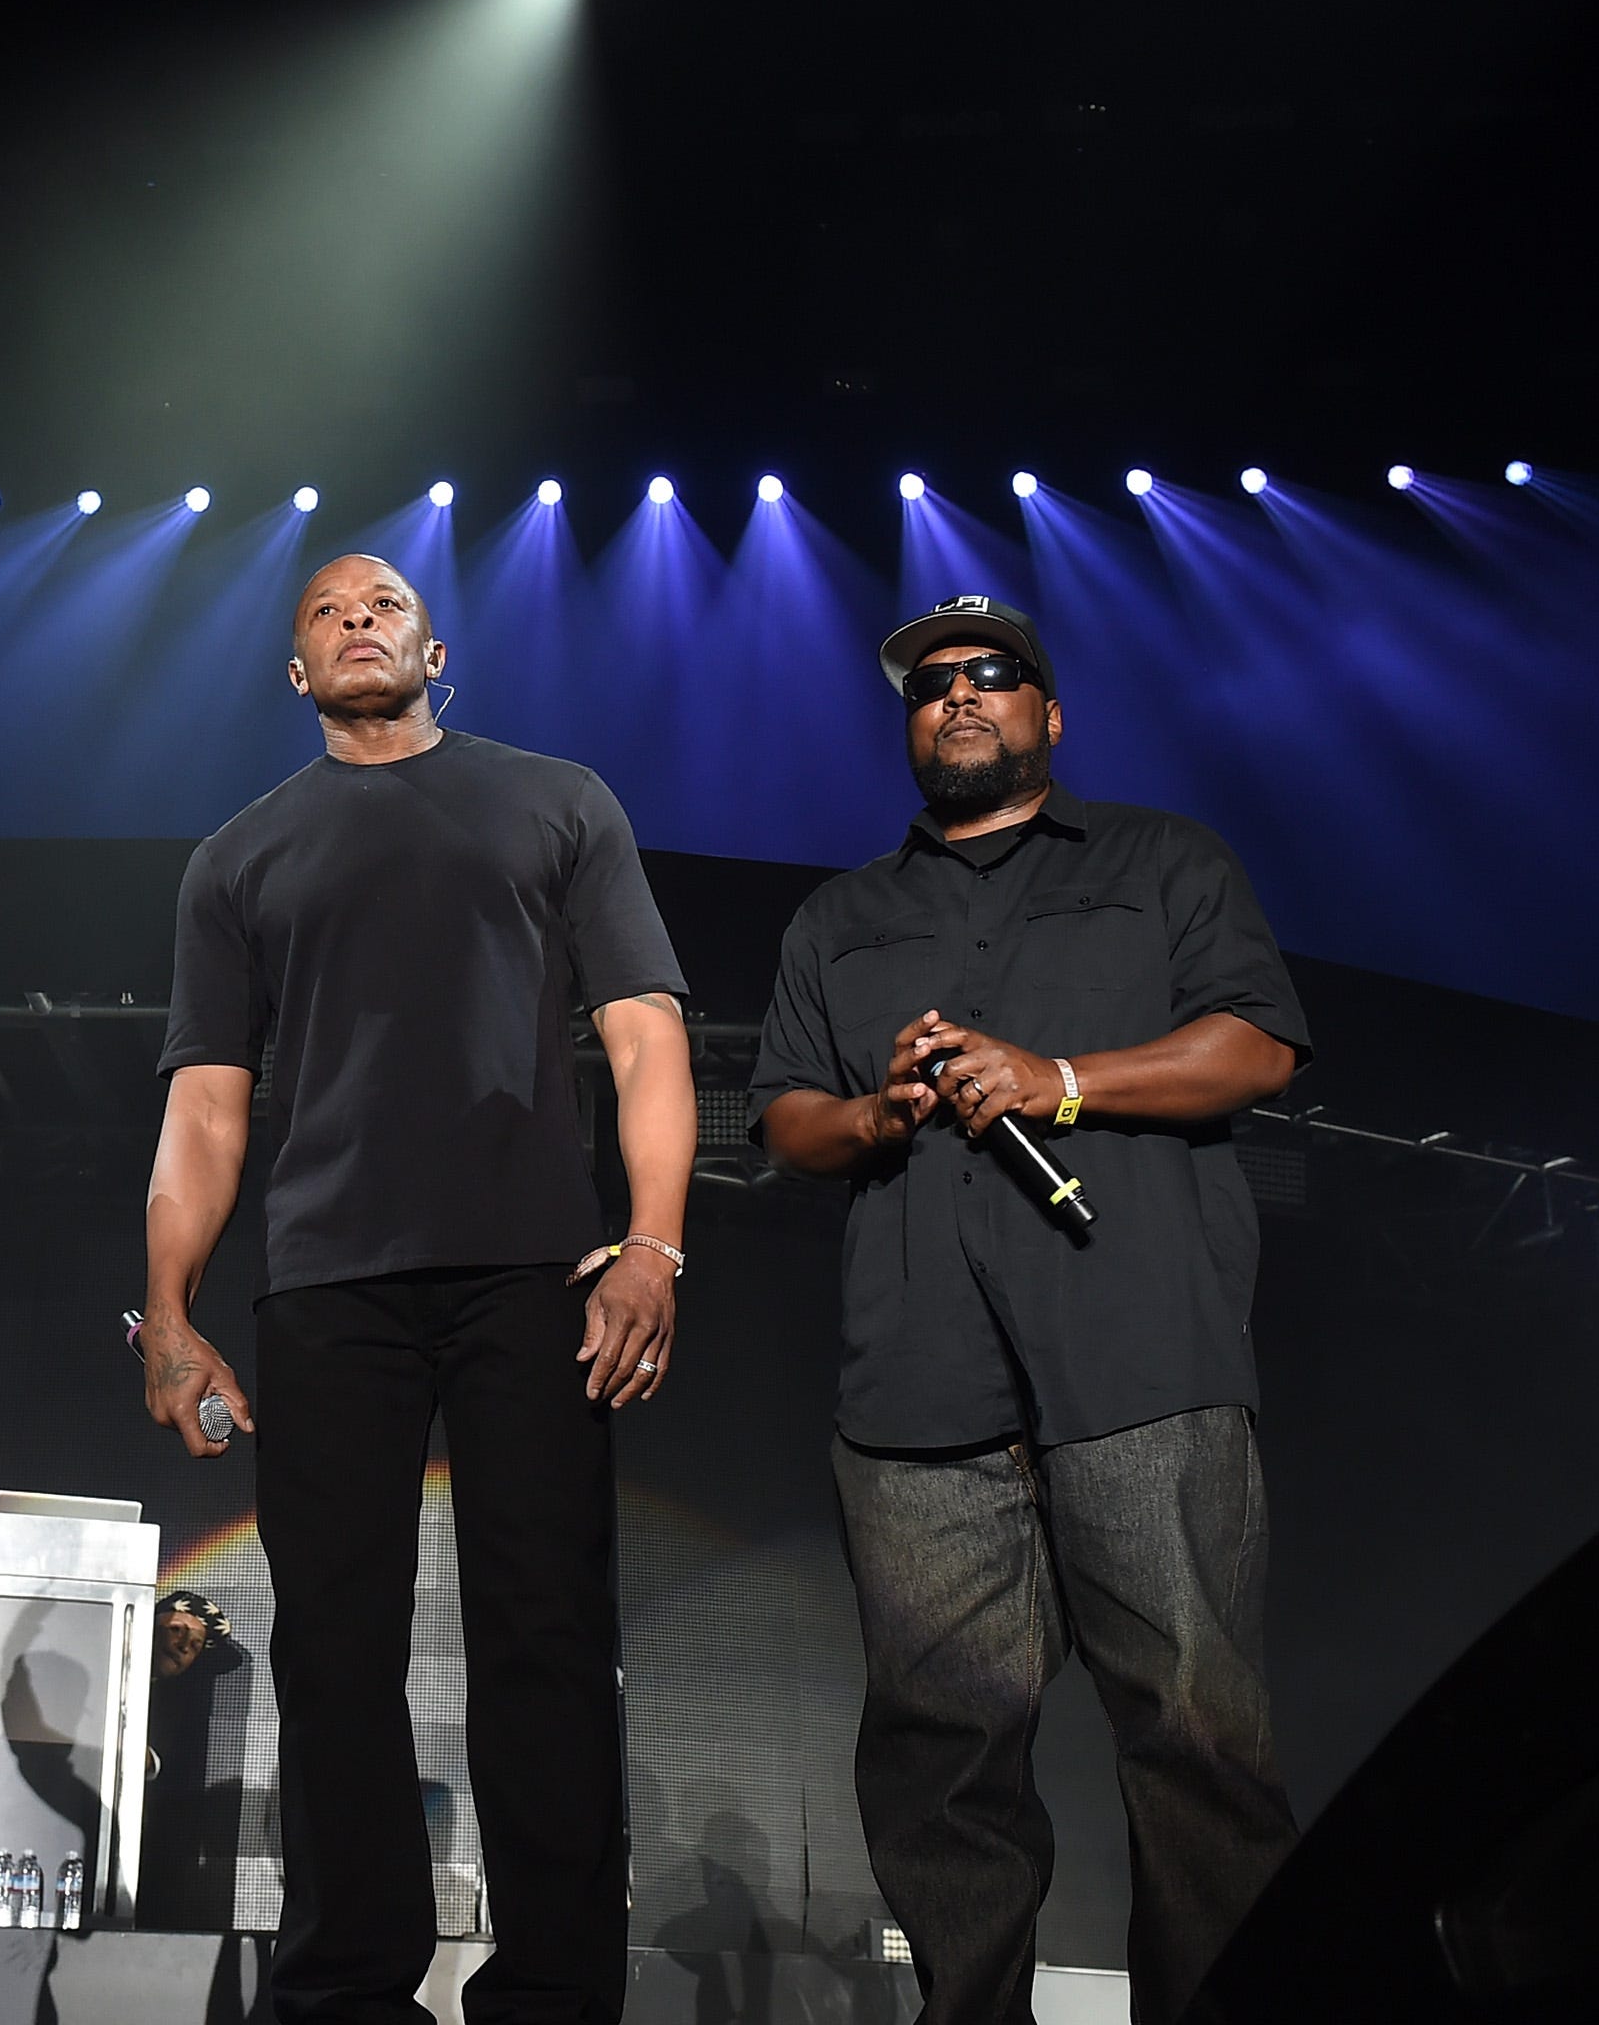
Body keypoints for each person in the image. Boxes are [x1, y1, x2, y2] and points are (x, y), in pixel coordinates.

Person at [139, 552, 697, 2025]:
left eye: (383, 605)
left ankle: (559, 1994)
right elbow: (206, 1106)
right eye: (326, 613)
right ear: (296, 675)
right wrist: (173, 1310)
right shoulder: (238, 857)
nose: (358, 621)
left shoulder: (559, 801)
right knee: (332, 1643)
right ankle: (344, 1991)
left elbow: (643, 1036)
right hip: (327, 1286)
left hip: (536, 1275)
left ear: (435, 650)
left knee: (548, 1638)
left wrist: (655, 1243)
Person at [749, 595, 1308, 2025]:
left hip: (1142, 1368)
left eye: (995, 675)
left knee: (1195, 1736)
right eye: (932, 685)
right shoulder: (842, 916)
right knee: (941, 1762)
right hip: (918, 1400)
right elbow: (788, 1124)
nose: (960, 697)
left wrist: (1058, 1080)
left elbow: (1254, 1046)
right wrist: (877, 1112)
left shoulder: (1165, 861)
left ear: (1050, 713)